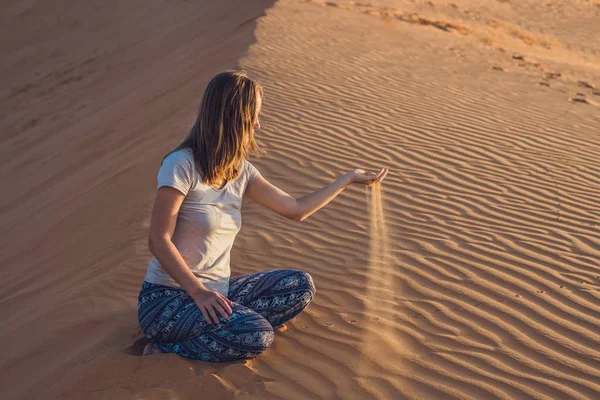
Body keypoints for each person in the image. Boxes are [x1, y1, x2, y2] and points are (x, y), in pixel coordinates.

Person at [137, 70, 389, 362]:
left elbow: (295, 209)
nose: (257, 124)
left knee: (299, 286)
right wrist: (199, 292)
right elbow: (158, 240)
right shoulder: (181, 165)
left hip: (220, 293)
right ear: (231, 116)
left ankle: (223, 326)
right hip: (168, 297)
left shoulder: (240, 171)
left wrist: (347, 179)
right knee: (257, 336)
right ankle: (167, 347)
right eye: (252, 116)